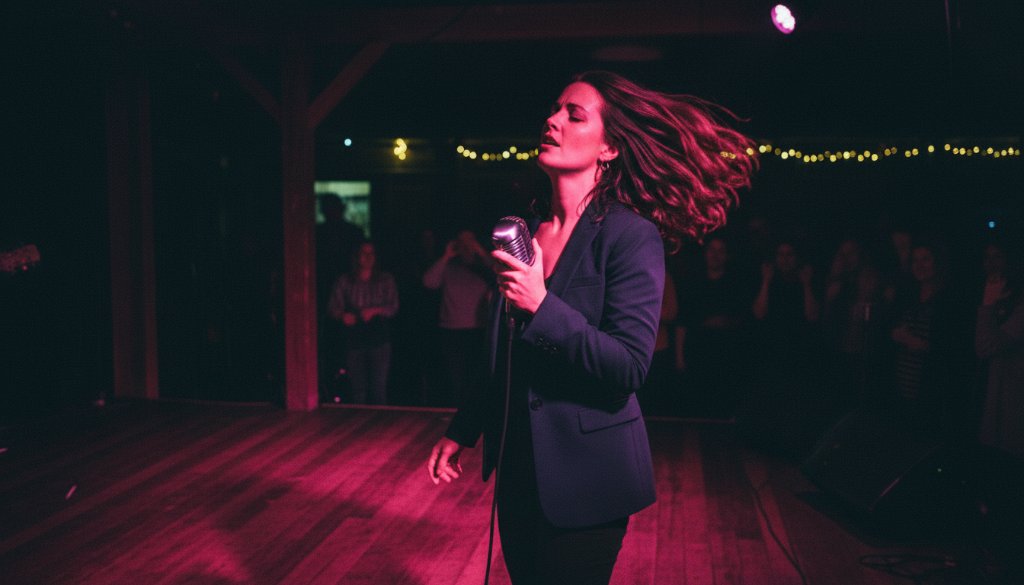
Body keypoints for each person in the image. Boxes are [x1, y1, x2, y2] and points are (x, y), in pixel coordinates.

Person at [425, 71, 756, 584]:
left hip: (588, 475)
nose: (552, 120)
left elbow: (627, 366)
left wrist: (541, 304)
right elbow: (507, 355)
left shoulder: (629, 236)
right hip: (519, 472)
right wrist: (463, 429)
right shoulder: (524, 231)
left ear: (609, 149)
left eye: (574, 115)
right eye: (555, 109)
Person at [422, 229, 496, 406]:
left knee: (476, 378)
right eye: (461, 241)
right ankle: (456, 416)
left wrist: (480, 252)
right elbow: (428, 282)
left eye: (469, 240)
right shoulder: (449, 266)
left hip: (478, 329)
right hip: (451, 330)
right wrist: (446, 256)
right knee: (455, 380)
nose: (465, 245)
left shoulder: (484, 267)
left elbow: (498, 273)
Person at [327, 241, 399, 405]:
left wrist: (374, 310)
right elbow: (333, 308)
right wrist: (342, 316)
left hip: (378, 339)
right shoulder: (345, 281)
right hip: (354, 340)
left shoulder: (385, 279)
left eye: (371, 254)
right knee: (358, 389)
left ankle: (379, 425)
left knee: (378, 388)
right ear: (357, 257)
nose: (368, 257)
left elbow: (393, 307)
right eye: (364, 253)